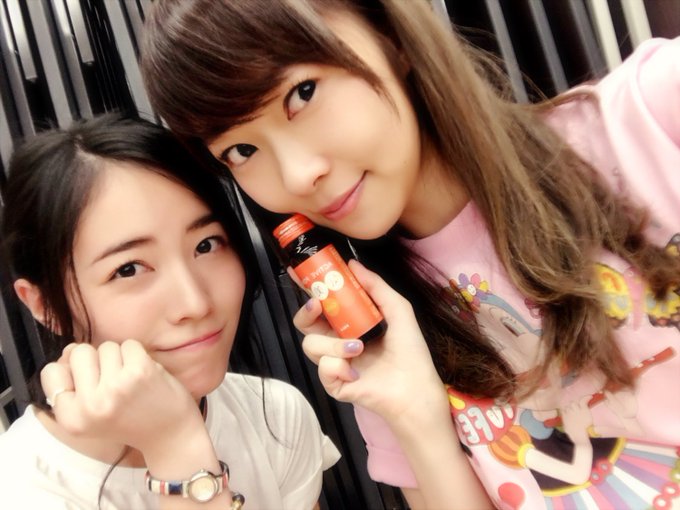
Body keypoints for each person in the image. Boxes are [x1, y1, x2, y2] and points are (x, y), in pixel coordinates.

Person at [139, 1, 680, 509]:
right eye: (241, 150)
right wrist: (417, 417)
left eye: (302, 93)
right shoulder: (378, 335)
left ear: (388, 34)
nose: (298, 176)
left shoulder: (650, 116)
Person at [0, 115, 340, 509]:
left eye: (206, 245)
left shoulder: (275, 416)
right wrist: (177, 451)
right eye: (128, 269)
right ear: (44, 306)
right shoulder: (20, 490)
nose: (195, 303)